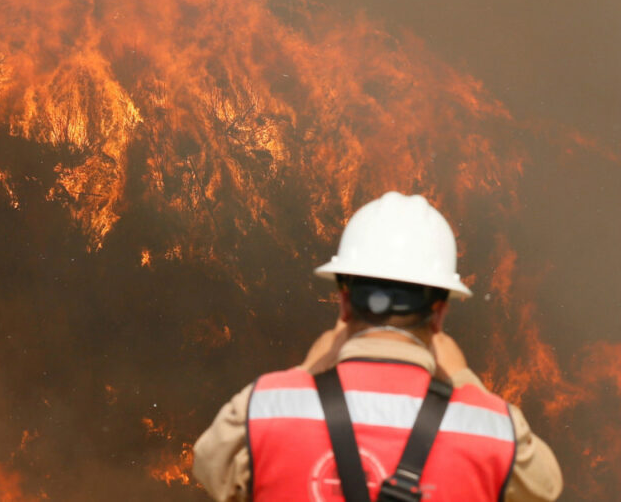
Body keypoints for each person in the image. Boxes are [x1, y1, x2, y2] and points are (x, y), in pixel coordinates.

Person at [193, 192, 562, 501]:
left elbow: (210, 467)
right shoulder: (495, 431)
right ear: (439, 313)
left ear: (344, 303)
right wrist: (466, 381)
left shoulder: (261, 410)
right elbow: (546, 489)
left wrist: (306, 371)